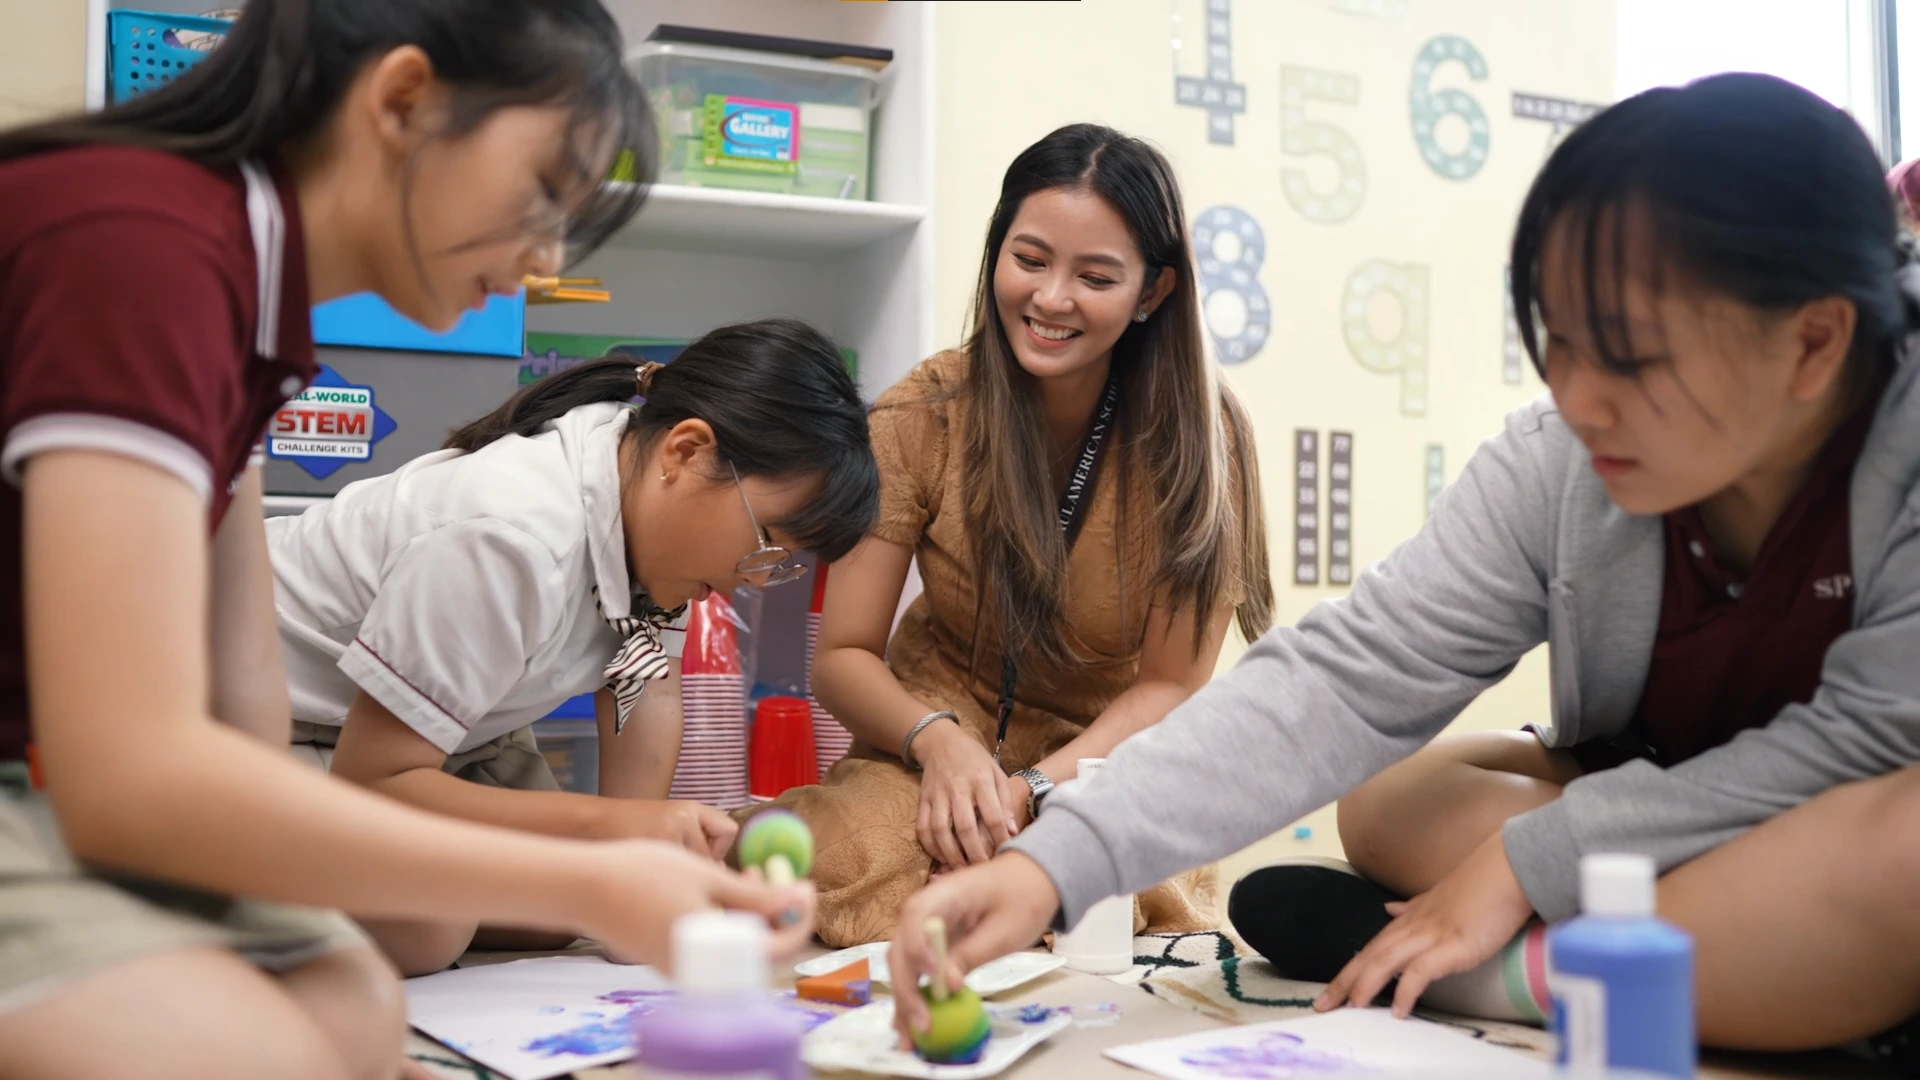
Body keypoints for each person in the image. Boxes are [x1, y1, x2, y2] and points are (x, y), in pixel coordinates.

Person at [886, 74, 1920, 1071]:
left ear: (1814, 343)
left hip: (1847, 814)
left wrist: (1526, 864)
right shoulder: (1560, 460)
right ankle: (1737, 966)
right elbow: (1347, 678)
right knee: (1384, 798)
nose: (1581, 398)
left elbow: (1871, 737)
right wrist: (1054, 859)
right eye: (1557, 341)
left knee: (1900, 847)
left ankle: (1515, 976)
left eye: (1634, 357)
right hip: (1674, 807)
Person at [0, 3, 812, 1077]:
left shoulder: (249, 301)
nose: (548, 252)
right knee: (274, 1047)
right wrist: (589, 875)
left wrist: (606, 856)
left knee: (356, 1012)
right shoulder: (142, 246)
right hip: (57, 780)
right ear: (403, 100)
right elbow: (129, 779)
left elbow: (239, 726)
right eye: (542, 192)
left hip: (94, 774)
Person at [761, 123, 1274, 946]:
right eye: (1029, 260)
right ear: (997, 250)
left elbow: (1170, 688)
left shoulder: (1205, 437)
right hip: (926, 752)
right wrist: (938, 744)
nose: (1051, 298)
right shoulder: (920, 412)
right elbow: (842, 656)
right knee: (862, 851)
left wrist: (1029, 788)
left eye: (1096, 276)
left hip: (1104, 766)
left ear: (1153, 292)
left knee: (1096, 889)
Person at [271, 319, 876, 975]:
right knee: (428, 927)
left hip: (459, 733)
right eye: (767, 546)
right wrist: (609, 834)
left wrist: (641, 865)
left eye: (783, 564)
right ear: (687, 451)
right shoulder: (511, 536)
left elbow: (645, 686)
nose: (748, 582)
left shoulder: (651, 509)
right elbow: (379, 779)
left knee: (567, 907)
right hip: (287, 722)